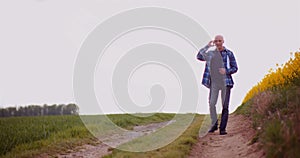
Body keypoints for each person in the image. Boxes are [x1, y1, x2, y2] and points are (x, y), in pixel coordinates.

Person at [196, 35, 238, 135]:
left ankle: (222, 128)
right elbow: (199, 56)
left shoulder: (229, 54)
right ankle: (214, 124)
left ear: (223, 41)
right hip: (214, 82)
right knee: (211, 103)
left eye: (220, 41)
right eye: (216, 41)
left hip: (226, 82)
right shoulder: (210, 53)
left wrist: (226, 71)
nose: (218, 42)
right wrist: (207, 46)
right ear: (214, 42)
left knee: (225, 105)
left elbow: (235, 68)